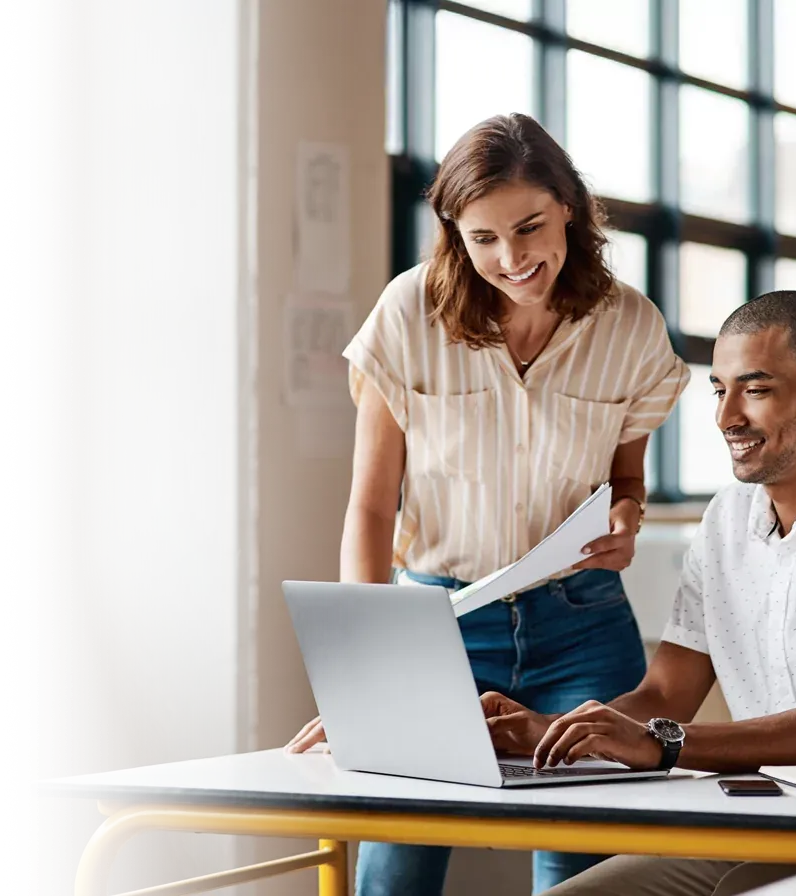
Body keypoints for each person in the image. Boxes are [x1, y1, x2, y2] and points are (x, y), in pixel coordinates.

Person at [284, 113, 690, 896]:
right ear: (454, 235)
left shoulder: (631, 327)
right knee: (397, 866)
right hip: (440, 625)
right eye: (483, 239)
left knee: (584, 874)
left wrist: (626, 520)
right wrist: (368, 674)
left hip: (583, 628)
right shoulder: (410, 315)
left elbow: (627, 483)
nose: (513, 259)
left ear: (569, 205)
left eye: (530, 227)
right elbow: (370, 509)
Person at [484, 291, 796, 896]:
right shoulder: (727, 518)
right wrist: (554, 731)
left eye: (756, 390)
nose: (726, 419)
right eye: (719, 391)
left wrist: (657, 745)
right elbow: (666, 692)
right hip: (775, 820)